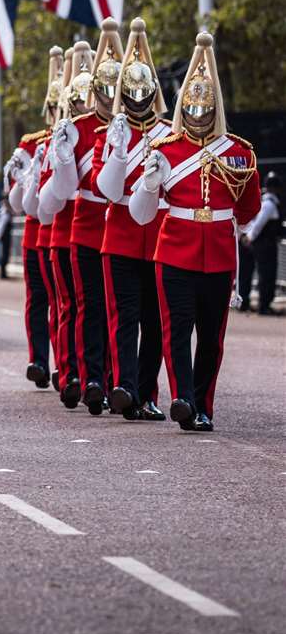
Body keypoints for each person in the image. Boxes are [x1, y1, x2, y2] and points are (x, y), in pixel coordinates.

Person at [130, 33, 260, 431]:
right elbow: (141, 214)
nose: (198, 117)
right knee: (177, 330)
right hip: (174, 250)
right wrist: (149, 184)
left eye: (205, 110)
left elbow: (249, 207)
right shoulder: (166, 150)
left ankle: (204, 404)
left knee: (211, 338)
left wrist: (227, 220)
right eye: (192, 109)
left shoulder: (238, 151)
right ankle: (183, 397)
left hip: (218, 252)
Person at [90, 18, 173, 421]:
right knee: (124, 316)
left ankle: (147, 392)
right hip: (120, 234)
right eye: (132, 94)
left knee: (155, 321)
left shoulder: (170, 135)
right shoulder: (109, 132)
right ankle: (123, 385)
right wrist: (118, 149)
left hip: (159, 234)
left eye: (144, 94)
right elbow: (105, 187)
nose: (138, 101)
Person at [41, 22, 124, 414]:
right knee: (85, 306)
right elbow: (61, 190)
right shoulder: (77, 129)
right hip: (87, 225)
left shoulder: (137, 125)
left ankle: (118, 379)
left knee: (122, 310)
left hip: (123, 226)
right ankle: (84, 375)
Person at [5, 46, 63, 390]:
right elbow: (16, 200)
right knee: (39, 301)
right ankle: (39, 359)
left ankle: (64, 362)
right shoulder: (33, 142)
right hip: (36, 232)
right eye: (56, 107)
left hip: (64, 230)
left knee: (64, 304)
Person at [240, 172, 281, 315]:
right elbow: (259, 223)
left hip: (262, 243)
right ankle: (264, 305)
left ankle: (256, 303)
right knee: (267, 274)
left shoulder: (265, 201)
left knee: (258, 273)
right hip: (266, 244)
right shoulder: (269, 203)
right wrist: (249, 237)